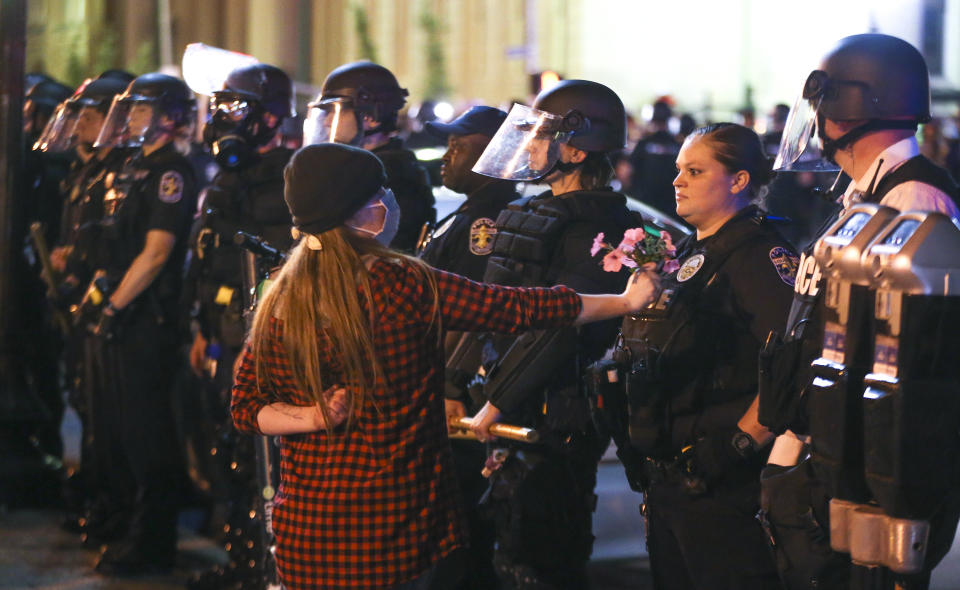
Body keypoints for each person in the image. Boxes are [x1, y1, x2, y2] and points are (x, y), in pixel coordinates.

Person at [229, 142, 661, 590]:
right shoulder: (400, 283)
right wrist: (625, 301)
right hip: (393, 527)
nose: (389, 199)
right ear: (362, 210)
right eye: (381, 191)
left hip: (309, 531)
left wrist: (315, 417)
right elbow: (520, 309)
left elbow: (246, 409)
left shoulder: (280, 293)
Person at [760, 33, 960, 590]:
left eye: (824, 105)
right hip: (830, 448)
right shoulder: (866, 192)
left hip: (867, 467)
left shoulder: (914, 200)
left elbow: (903, 355)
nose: (818, 122)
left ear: (851, 107)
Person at [467, 79, 638, 589]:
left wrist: (496, 402)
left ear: (577, 148)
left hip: (556, 415)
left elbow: (563, 327)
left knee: (543, 555)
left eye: (545, 134)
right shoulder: (534, 209)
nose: (532, 144)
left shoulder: (602, 226)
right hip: (508, 411)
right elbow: (491, 310)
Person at [613, 123, 792, 590]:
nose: (678, 181)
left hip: (725, 487)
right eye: (678, 170)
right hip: (675, 480)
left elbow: (791, 366)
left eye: (695, 170)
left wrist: (739, 443)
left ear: (738, 181)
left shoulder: (759, 255)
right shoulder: (694, 249)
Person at [182, 61, 297, 590]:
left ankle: (267, 568)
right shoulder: (228, 177)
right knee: (228, 453)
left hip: (265, 344)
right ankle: (242, 560)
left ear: (271, 118)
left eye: (239, 108)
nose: (226, 119)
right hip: (221, 338)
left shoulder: (290, 179)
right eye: (222, 107)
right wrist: (201, 328)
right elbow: (207, 260)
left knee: (263, 462)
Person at [84, 72, 199, 575]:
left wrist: (114, 308)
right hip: (123, 314)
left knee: (149, 432)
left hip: (146, 319)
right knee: (123, 429)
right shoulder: (136, 167)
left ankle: (153, 542)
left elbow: (155, 254)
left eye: (141, 109)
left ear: (169, 117)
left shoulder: (171, 172)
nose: (130, 117)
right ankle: (131, 526)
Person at [418, 105, 517, 589]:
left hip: (456, 398)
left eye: (459, 146)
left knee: (459, 540)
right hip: (442, 388)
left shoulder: (488, 223)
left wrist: (450, 383)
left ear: (492, 153)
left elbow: (474, 314)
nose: (447, 155)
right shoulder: (467, 213)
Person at [302, 61, 436, 252]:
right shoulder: (361, 171)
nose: (328, 122)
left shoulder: (390, 180)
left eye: (336, 112)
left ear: (371, 117)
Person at [629, 99, 684, 221]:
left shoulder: (644, 143)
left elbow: (630, 170)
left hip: (645, 204)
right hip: (671, 205)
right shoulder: (677, 145)